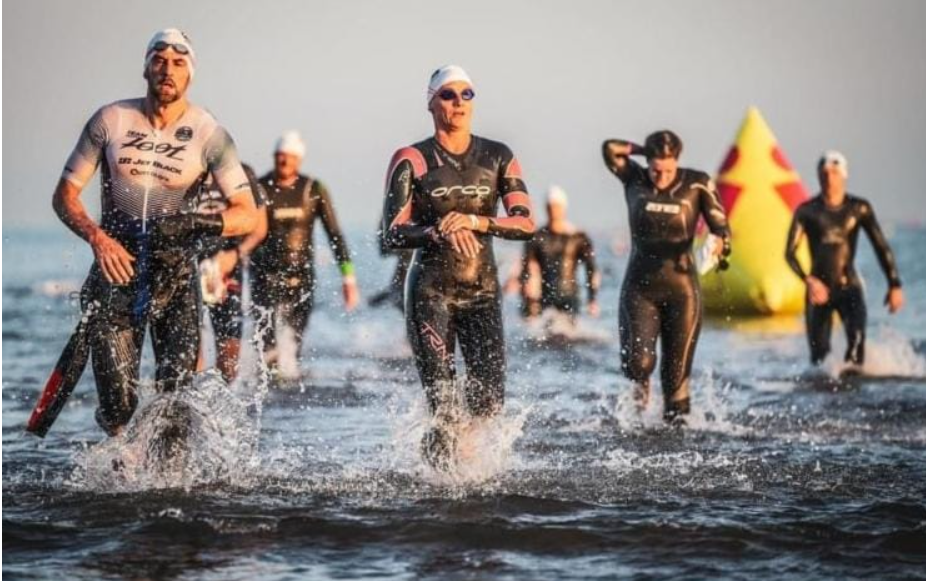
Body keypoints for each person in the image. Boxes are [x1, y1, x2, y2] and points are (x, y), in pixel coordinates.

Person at [51, 29, 258, 436]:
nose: (168, 69)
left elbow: (247, 215)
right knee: (117, 406)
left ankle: (172, 486)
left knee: (174, 400)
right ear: (145, 67)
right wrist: (97, 237)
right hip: (116, 273)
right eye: (159, 60)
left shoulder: (209, 133)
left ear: (190, 74)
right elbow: (64, 195)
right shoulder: (110, 120)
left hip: (176, 275)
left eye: (179, 63)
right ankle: (123, 475)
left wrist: (198, 223)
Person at [381, 65, 536, 466]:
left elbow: (525, 223)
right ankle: (441, 487)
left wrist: (475, 221)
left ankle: (465, 475)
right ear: (431, 102)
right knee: (445, 406)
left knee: (488, 405)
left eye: (467, 94)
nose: (459, 102)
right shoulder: (412, 158)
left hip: (482, 294)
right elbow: (392, 232)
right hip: (431, 293)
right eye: (449, 95)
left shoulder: (499, 155)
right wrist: (437, 231)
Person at [602, 131, 730, 423]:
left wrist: (720, 242)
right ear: (647, 162)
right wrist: (641, 148)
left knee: (675, 379)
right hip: (640, 288)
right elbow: (609, 148)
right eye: (656, 170)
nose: (661, 177)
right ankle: (638, 414)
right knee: (639, 363)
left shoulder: (697, 182)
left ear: (678, 162)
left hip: (682, 291)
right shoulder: (634, 178)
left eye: (669, 170)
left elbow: (721, 227)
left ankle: (676, 445)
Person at [250, 131, 359, 372]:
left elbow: (335, 234)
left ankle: (290, 383)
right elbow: (245, 231)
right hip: (265, 273)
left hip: (302, 274)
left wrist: (348, 278)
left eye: (289, 157)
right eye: (280, 156)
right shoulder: (260, 187)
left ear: (299, 160)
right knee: (267, 341)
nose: (284, 161)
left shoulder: (314, 189)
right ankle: (268, 382)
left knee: (296, 337)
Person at [785, 150, 903, 367]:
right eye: (824, 173)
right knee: (819, 359)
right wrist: (808, 280)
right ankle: (824, 399)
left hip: (849, 288)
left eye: (834, 173)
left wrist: (894, 284)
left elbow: (880, 246)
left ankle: (854, 398)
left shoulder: (859, 208)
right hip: (818, 292)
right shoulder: (806, 211)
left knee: (857, 345)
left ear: (844, 175)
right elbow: (789, 253)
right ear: (819, 176)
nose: (829, 178)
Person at [195, 163, 268, 382]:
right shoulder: (186, 168)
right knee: (188, 345)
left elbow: (259, 228)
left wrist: (234, 255)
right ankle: (190, 402)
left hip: (228, 269)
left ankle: (222, 402)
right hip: (188, 266)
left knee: (229, 353)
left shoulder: (242, 173)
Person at [519, 185, 600, 320]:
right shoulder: (537, 238)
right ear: (546, 208)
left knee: (568, 336)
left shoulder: (578, 237)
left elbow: (591, 268)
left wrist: (592, 299)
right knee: (545, 335)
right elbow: (527, 270)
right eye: (550, 207)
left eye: (557, 207)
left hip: (570, 297)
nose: (554, 211)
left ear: (564, 208)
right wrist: (528, 303)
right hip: (545, 299)